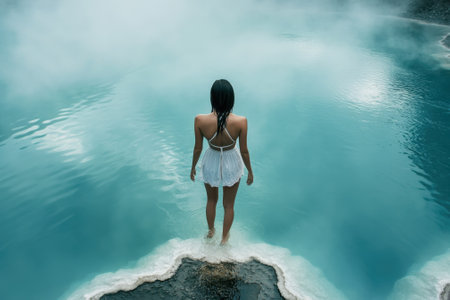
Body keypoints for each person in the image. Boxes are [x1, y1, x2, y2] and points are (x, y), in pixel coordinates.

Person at [190, 79, 253, 245]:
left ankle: (211, 232)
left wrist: (192, 167)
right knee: (229, 205)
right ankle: (224, 239)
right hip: (232, 160)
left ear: (212, 98)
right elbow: (245, 151)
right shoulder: (241, 121)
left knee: (211, 201)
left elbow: (197, 148)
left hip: (211, 159)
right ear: (231, 98)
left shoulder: (200, 120)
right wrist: (250, 171)